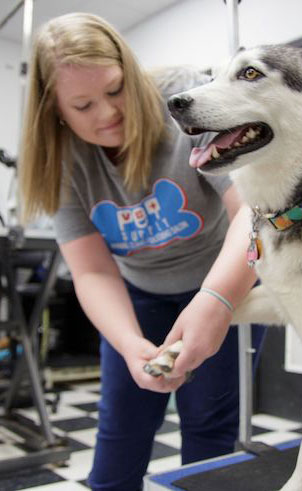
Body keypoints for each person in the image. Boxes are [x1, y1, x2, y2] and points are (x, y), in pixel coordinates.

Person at [19, 12, 265, 491]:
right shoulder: (64, 160)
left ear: (130, 71)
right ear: (56, 111)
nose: (107, 113)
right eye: (83, 105)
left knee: (209, 432)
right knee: (120, 432)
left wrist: (217, 301)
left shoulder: (189, 102)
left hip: (222, 279)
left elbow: (253, 212)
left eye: (115, 90)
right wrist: (131, 347)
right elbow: (91, 272)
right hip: (138, 295)